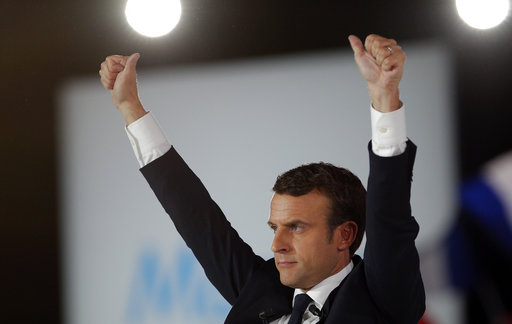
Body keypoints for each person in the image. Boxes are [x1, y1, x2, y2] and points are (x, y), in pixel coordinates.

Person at [99, 34, 425, 323]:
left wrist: (385, 101)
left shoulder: (381, 296)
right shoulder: (261, 286)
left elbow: (389, 216)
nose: (276, 245)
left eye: (296, 227)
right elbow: (194, 216)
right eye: (275, 228)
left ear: (345, 235)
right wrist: (130, 108)